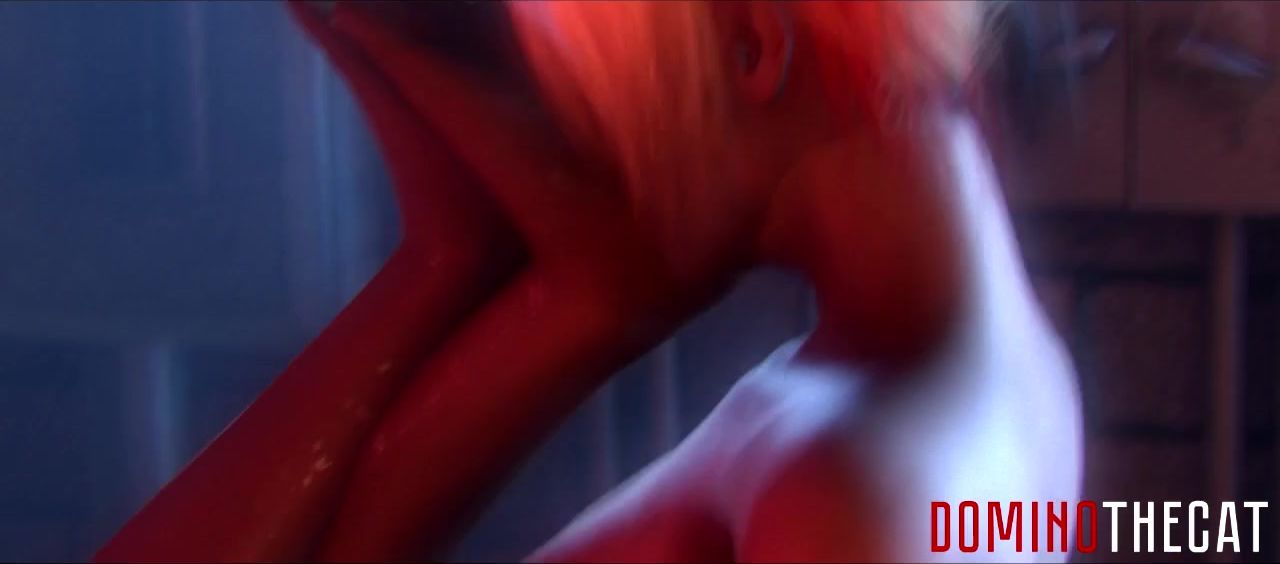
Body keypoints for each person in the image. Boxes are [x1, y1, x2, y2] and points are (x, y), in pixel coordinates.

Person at [95, 1, 1082, 562]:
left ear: (752, 46)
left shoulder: (856, 481)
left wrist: (554, 291)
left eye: (579, 76)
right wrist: (461, 263)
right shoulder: (902, 394)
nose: (565, 141)